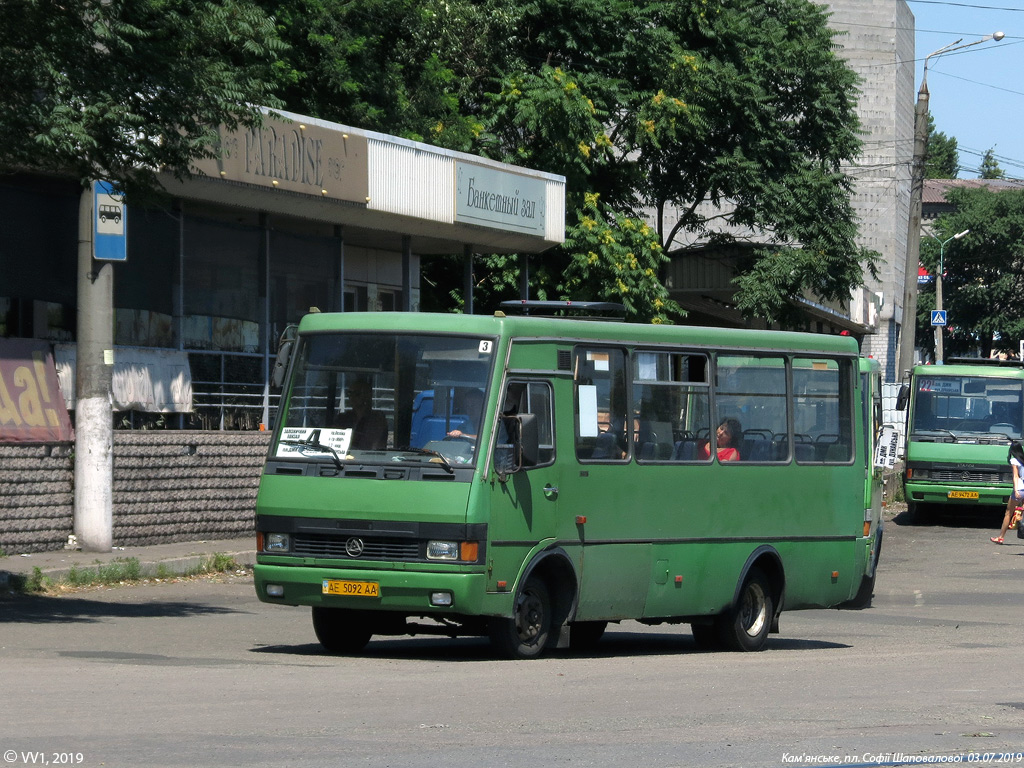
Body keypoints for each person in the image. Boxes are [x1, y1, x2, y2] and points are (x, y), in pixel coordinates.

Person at [335, 378, 388, 450]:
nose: (352, 397)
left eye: (357, 393)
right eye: (350, 393)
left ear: (367, 396)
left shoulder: (377, 420)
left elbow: (375, 447)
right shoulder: (343, 418)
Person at [991, 440, 1024, 544]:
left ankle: (1000, 537)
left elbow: (1015, 476)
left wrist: (1015, 490)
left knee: (1008, 513)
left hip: (1019, 489)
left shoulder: (1014, 460)